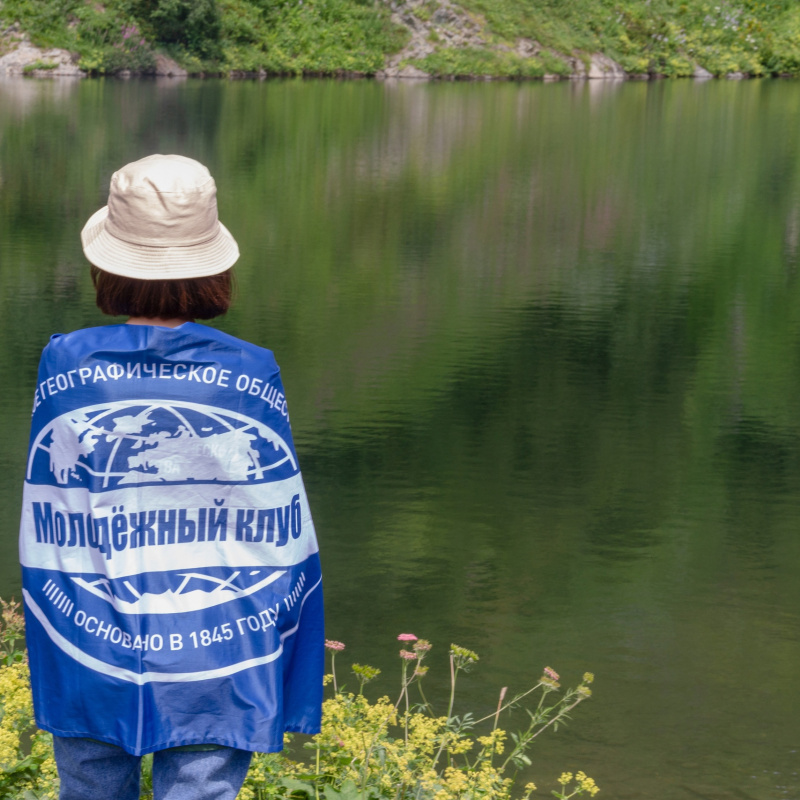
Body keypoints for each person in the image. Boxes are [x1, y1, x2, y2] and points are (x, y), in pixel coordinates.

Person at [19, 154, 324, 800]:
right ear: (214, 266)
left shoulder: (64, 364)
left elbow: (54, 511)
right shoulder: (252, 372)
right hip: (220, 654)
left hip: (88, 643)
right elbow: (278, 527)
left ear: (107, 265)